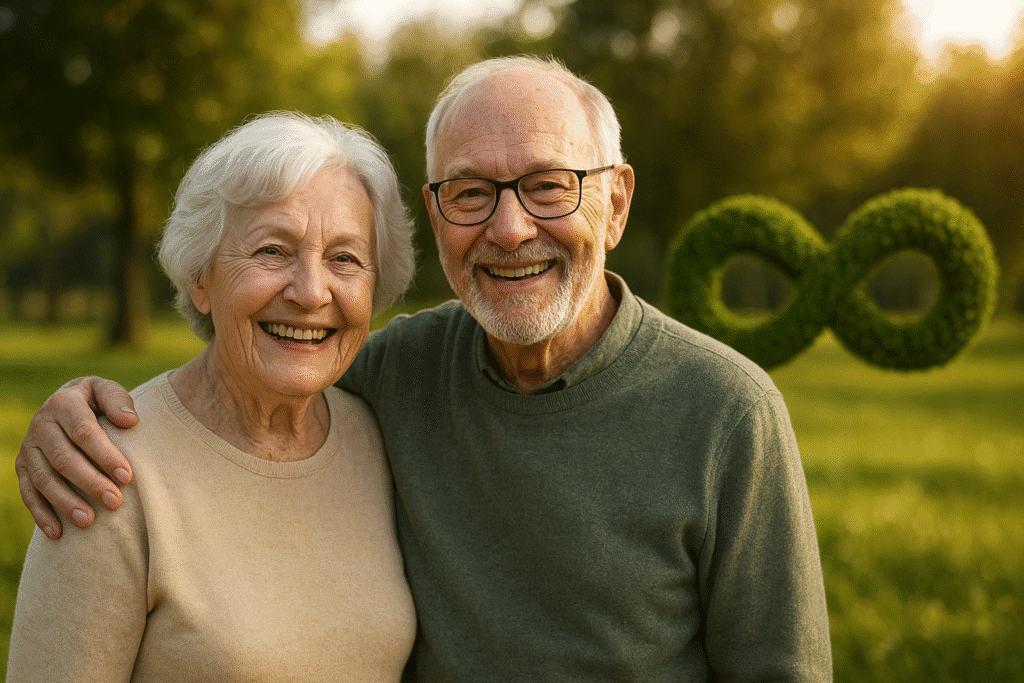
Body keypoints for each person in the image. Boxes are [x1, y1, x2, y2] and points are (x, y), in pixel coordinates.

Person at [15, 56, 832, 681]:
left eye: (549, 186)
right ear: (437, 214)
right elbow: (244, 377)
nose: (510, 229)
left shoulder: (729, 412)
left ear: (614, 203)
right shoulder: (393, 376)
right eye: (471, 192)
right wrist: (71, 411)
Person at [7, 112, 418, 681]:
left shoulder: (380, 435)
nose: (310, 291)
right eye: (272, 251)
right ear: (201, 279)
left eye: (344, 258)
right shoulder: (104, 471)